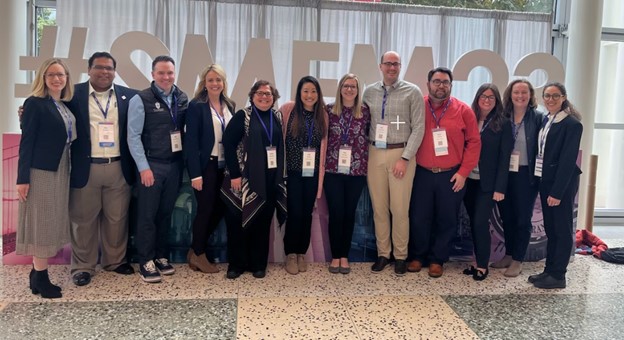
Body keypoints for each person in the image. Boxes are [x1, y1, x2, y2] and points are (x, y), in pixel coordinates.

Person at [67, 52, 138, 287]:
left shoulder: (129, 96)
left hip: (118, 166)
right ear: (89, 70)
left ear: (115, 72)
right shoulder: (72, 94)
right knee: (82, 220)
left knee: (117, 218)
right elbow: (51, 114)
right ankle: (82, 267)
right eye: (99, 67)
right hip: (86, 167)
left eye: (109, 68)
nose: (104, 72)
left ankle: (114, 261)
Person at [408, 67, 481, 278]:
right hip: (421, 172)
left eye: (445, 82)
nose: (441, 86)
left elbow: (474, 142)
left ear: (451, 85)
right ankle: (418, 256)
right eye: (437, 81)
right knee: (419, 217)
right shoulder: (417, 105)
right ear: (428, 83)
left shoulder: (463, 110)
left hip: (451, 175)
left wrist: (464, 172)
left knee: (447, 219)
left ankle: (437, 260)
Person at [16, 58, 76, 298]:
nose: (57, 78)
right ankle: (41, 277)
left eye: (61, 74)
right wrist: (22, 178)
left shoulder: (62, 104)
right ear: (43, 77)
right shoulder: (35, 103)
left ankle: (35, 273)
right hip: (41, 171)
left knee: (52, 220)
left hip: (61, 167)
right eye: (51, 74)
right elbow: (26, 142)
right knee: (43, 223)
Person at [362, 51, 425, 275]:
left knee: (399, 209)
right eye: (388, 64)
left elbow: (419, 127)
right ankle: (383, 254)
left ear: (400, 67)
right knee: (379, 209)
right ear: (380, 66)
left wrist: (406, 158)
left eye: (396, 64)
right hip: (375, 153)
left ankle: (400, 255)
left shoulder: (412, 91)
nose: (392, 68)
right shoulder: (368, 92)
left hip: (401, 154)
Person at [128, 55, 189, 283]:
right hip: (151, 165)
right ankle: (146, 260)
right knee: (147, 214)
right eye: (161, 73)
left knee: (165, 214)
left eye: (170, 73)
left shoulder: (182, 98)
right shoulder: (141, 99)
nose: (166, 77)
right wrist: (143, 168)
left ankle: (161, 256)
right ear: (153, 74)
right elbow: (133, 137)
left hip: (174, 165)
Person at [221, 80, 287, 280]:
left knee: (262, 223)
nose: (264, 97)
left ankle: (258, 264)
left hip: (268, 179)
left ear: (273, 97)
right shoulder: (244, 115)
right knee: (237, 223)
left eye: (268, 94)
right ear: (252, 96)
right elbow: (228, 143)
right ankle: (236, 264)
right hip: (242, 180)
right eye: (260, 93)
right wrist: (234, 174)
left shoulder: (277, 117)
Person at [529, 82, 582, 289]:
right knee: (551, 229)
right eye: (547, 96)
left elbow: (568, 161)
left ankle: (559, 275)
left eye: (555, 96)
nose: (550, 99)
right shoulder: (547, 120)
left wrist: (557, 192)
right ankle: (549, 270)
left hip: (561, 185)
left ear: (563, 98)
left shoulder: (572, 124)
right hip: (545, 180)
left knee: (561, 229)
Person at [184, 64, 235, 274]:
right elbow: (191, 143)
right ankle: (199, 254)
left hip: (225, 166)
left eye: (218, 80)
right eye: (211, 80)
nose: (215, 84)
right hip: (207, 166)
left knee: (221, 208)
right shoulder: (197, 106)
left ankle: (196, 249)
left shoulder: (229, 104)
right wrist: (195, 174)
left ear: (223, 83)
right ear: (204, 83)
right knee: (204, 210)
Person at [491, 79, 544, 277]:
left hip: (526, 175)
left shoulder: (538, 118)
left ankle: (518, 260)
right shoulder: (503, 117)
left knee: (522, 219)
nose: (520, 96)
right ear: (510, 95)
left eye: (524, 92)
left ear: (530, 95)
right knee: (507, 217)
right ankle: (509, 253)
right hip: (505, 174)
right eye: (516, 92)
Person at [462, 84, 513, 281]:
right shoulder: (469, 118)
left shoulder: (503, 123)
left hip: (488, 184)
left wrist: (500, 187)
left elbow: (504, 157)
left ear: (497, 101)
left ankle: (483, 265)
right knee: (472, 223)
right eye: (483, 96)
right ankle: (476, 262)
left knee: (480, 222)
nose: (487, 100)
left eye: (492, 97)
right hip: (468, 180)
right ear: (477, 97)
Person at [280, 76, 328, 275]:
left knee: (307, 214)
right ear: (299, 93)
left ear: (318, 95)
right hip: (292, 173)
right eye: (306, 91)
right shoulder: (288, 110)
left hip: (312, 174)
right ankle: (291, 253)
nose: (309, 95)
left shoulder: (323, 115)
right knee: (294, 213)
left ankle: (301, 252)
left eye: (313, 91)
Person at [324, 74, 371, 274]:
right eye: (346, 85)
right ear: (340, 88)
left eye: (353, 86)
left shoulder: (366, 112)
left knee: (349, 214)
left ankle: (345, 255)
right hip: (332, 170)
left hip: (357, 171)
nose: (349, 89)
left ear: (358, 89)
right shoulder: (328, 111)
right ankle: (335, 256)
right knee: (336, 213)